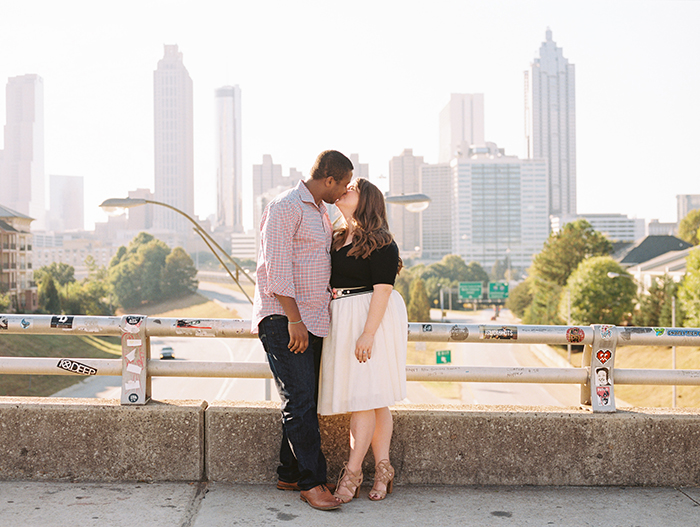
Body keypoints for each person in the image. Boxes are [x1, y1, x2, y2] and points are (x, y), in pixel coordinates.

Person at [252, 150, 354, 511]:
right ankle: (312, 483)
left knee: (303, 399)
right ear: (329, 179)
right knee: (299, 401)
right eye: (341, 184)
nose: (343, 190)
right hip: (286, 319)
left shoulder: (321, 212)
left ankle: (289, 472)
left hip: (311, 320)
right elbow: (276, 270)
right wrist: (294, 320)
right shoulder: (286, 207)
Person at [318, 177, 408, 502]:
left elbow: (383, 290)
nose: (345, 191)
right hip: (344, 316)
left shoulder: (382, 242)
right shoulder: (337, 236)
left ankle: (353, 472)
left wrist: (368, 332)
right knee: (374, 396)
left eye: (352, 188)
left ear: (366, 199)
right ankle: (383, 470)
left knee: (362, 398)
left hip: (371, 318)